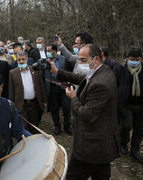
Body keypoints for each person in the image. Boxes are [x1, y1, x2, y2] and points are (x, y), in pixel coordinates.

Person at [49, 44, 119, 180]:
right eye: (79, 60)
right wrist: (58, 71)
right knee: (101, 174)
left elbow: (87, 114)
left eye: (83, 60)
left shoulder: (100, 84)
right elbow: (81, 79)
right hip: (103, 143)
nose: (79, 63)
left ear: (96, 59)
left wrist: (73, 98)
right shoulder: (103, 71)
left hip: (92, 145)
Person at [113, 46, 143, 164]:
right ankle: (123, 144)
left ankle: (135, 150)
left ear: (140, 59)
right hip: (125, 104)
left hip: (142, 105)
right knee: (126, 126)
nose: (134, 61)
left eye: (137, 59)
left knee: (139, 129)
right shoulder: (120, 69)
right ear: (127, 58)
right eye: (132, 59)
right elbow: (113, 85)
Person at [9, 50, 47, 134]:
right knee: (24, 127)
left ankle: (34, 142)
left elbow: (41, 86)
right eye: (19, 60)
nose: (21, 61)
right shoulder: (12, 73)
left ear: (27, 59)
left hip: (34, 104)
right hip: (21, 105)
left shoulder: (35, 70)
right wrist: (12, 105)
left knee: (34, 126)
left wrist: (44, 101)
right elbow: (11, 91)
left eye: (23, 59)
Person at [45, 44, 72, 135]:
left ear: (55, 51)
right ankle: (57, 126)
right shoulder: (45, 61)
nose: (47, 53)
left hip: (64, 87)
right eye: (47, 51)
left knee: (66, 107)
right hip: (52, 87)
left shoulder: (64, 60)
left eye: (49, 51)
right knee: (54, 108)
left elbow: (69, 73)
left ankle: (67, 126)